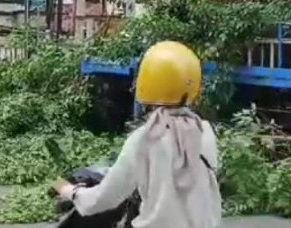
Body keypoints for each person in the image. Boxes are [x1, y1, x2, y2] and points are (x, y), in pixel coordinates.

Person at [53, 40, 222, 228]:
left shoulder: (145, 139)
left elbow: (100, 200)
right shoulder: (205, 132)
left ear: (146, 80)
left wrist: (69, 190)